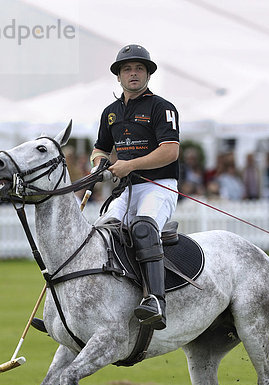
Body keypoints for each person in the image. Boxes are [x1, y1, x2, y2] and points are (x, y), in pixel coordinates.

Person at [91, 44, 180, 330]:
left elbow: (170, 151)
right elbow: (100, 149)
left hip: (159, 185)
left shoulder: (162, 107)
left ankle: (155, 300)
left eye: (139, 69)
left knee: (143, 228)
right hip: (126, 189)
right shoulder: (110, 113)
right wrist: (99, 164)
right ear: (118, 76)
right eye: (127, 69)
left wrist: (130, 164)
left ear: (148, 74)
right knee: (101, 234)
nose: (133, 74)